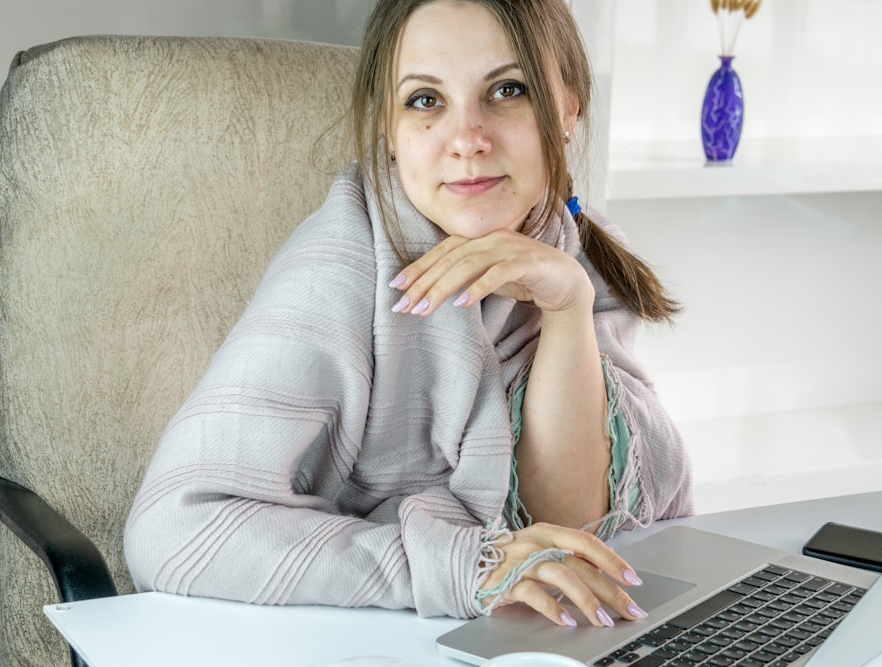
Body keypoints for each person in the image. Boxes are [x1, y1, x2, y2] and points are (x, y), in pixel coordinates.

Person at [124, 0, 692, 630]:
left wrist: (566, 309)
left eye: (508, 90)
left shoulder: (576, 258)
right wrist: (462, 564)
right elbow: (172, 528)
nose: (467, 140)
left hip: (524, 630)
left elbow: (571, 522)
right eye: (425, 101)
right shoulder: (340, 264)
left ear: (567, 109)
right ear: (387, 130)